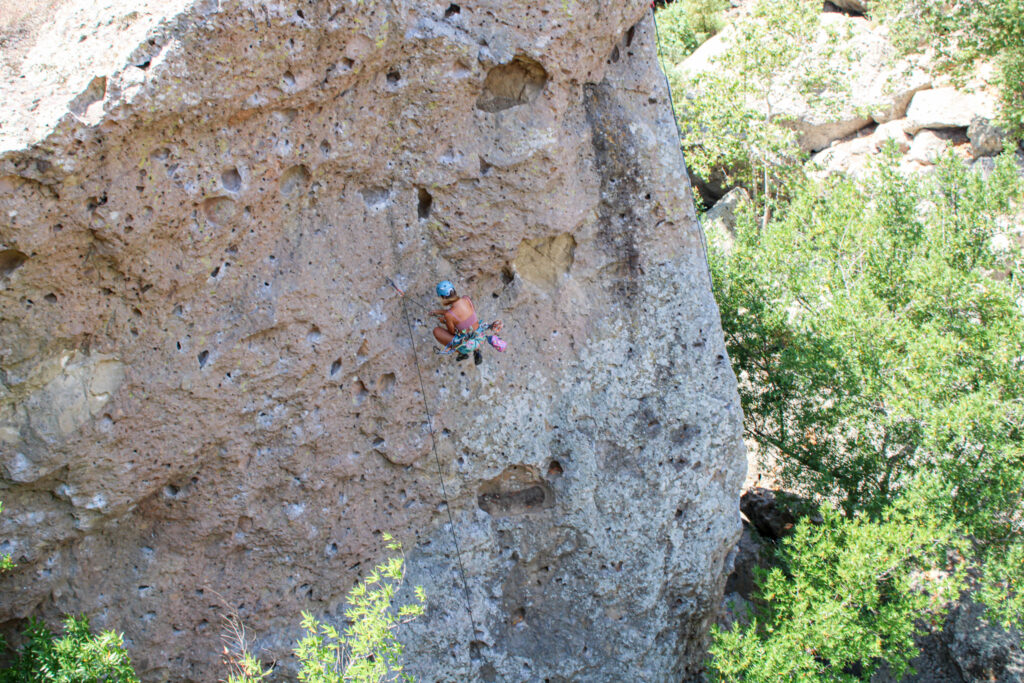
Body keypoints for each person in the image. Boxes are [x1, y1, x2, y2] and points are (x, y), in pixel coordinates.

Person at [430, 280, 503, 364]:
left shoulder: (448, 315)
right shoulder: (466, 299)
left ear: (443, 297)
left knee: (436, 331)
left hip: (467, 344)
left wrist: (445, 321)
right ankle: (476, 350)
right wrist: (439, 312)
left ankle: (462, 353)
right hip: (480, 337)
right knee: (470, 329)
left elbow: (453, 332)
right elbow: (463, 316)